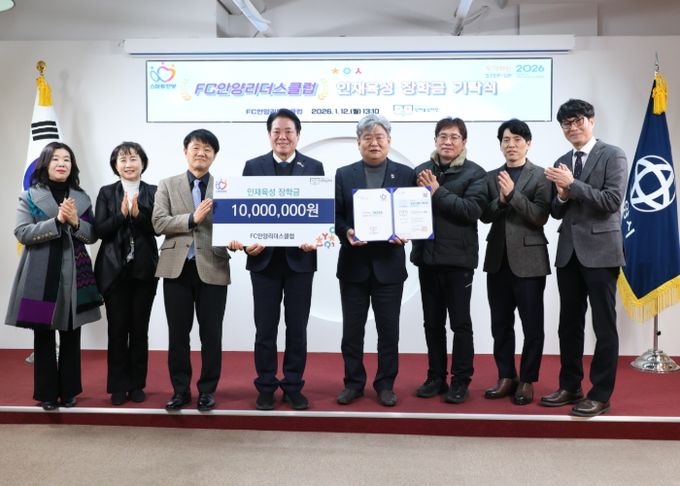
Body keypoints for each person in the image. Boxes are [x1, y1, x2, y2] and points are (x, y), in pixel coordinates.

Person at [543, 99, 627, 417]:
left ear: (591, 121)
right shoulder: (562, 160)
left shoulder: (613, 154)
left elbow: (612, 201)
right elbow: (555, 210)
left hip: (602, 251)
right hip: (569, 252)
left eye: (578, 120)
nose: (573, 127)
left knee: (603, 326)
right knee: (568, 324)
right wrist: (562, 194)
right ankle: (570, 386)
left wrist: (572, 185)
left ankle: (601, 394)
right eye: (566, 123)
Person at [238, 109, 324, 411]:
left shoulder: (313, 166)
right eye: (277, 131)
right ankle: (265, 385)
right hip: (264, 262)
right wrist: (246, 243)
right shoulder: (253, 166)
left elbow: (319, 211)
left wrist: (316, 237)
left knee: (297, 328)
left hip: (300, 261)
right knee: (265, 329)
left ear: (298, 135)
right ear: (269, 135)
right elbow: (244, 212)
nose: (282, 137)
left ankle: (292, 385)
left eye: (288, 131)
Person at [5, 141, 102, 410]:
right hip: (39, 274)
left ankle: (69, 391)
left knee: (72, 332)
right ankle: (47, 394)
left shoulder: (82, 197)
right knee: (43, 335)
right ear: (45, 164)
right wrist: (57, 221)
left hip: (75, 272)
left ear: (72, 166)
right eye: (56, 159)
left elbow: (92, 235)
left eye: (67, 159)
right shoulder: (29, 196)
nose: (62, 163)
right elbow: (22, 232)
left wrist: (75, 221)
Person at [334, 114, 416, 407]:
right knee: (352, 332)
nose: (374, 143)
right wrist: (347, 232)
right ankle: (353, 383)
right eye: (367, 138)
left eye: (379, 137)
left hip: (389, 267)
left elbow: (412, 213)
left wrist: (406, 232)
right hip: (353, 266)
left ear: (389, 141)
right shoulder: (344, 174)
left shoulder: (406, 174)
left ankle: (385, 384)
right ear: (358, 143)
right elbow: (336, 216)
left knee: (388, 331)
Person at [152, 129, 231, 412]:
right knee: (178, 334)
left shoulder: (225, 187)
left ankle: (207, 391)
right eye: (196, 147)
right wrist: (191, 219)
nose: (201, 153)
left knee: (212, 335)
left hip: (213, 266)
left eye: (208, 149)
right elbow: (158, 223)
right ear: (185, 151)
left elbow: (235, 226)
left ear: (214, 156)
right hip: (177, 269)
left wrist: (240, 240)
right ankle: (180, 390)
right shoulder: (167, 184)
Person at [410, 117, 487, 404]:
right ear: (435, 140)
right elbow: (406, 210)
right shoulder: (420, 171)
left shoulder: (475, 174)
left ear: (464, 142)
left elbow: (471, 211)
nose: (448, 142)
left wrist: (438, 192)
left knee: (460, 324)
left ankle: (460, 381)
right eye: (443, 136)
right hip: (427, 259)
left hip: (458, 262)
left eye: (454, 137)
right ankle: (435, 377)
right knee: (432, 323)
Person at [480, 119, 551, 406]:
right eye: (506, 140)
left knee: (532, 325)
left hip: (530, 260)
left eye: (517, 140)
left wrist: (512, 195)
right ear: (500, 145)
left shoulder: (542, 176)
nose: (511, 145)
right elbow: (484, 215)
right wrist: (499, 201)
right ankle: (506, 376)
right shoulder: (491, 176)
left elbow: (540, 216)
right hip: (498, 259)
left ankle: (527, 380)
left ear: (528, 144)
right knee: (500, 324)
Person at [94, 142, 158, 406]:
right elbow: (99, 230)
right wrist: (121, 216)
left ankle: (137, 384)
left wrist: (138, 215)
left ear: (142, 163)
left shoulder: (154, 191)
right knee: (117, 330)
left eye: (133, 159)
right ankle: (118, 386)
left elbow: (158, 228)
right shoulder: (107, 192)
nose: (128, 164)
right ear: (115, 165)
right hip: (113, 272)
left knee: (140, 330)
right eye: (123, 159)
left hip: (144, 271)